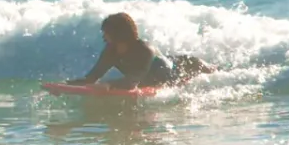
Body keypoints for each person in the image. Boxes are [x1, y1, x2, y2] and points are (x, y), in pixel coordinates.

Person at [69, 12, 215, 90]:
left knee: (217, 74)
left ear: (117, 33)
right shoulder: (110, 52)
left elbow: (132, 82)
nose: (103, 36)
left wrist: (108, 85)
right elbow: (91, 78)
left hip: (184, 67)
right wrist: (66, 85)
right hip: (161, 74)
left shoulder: (145, 50)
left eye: (106, 32)